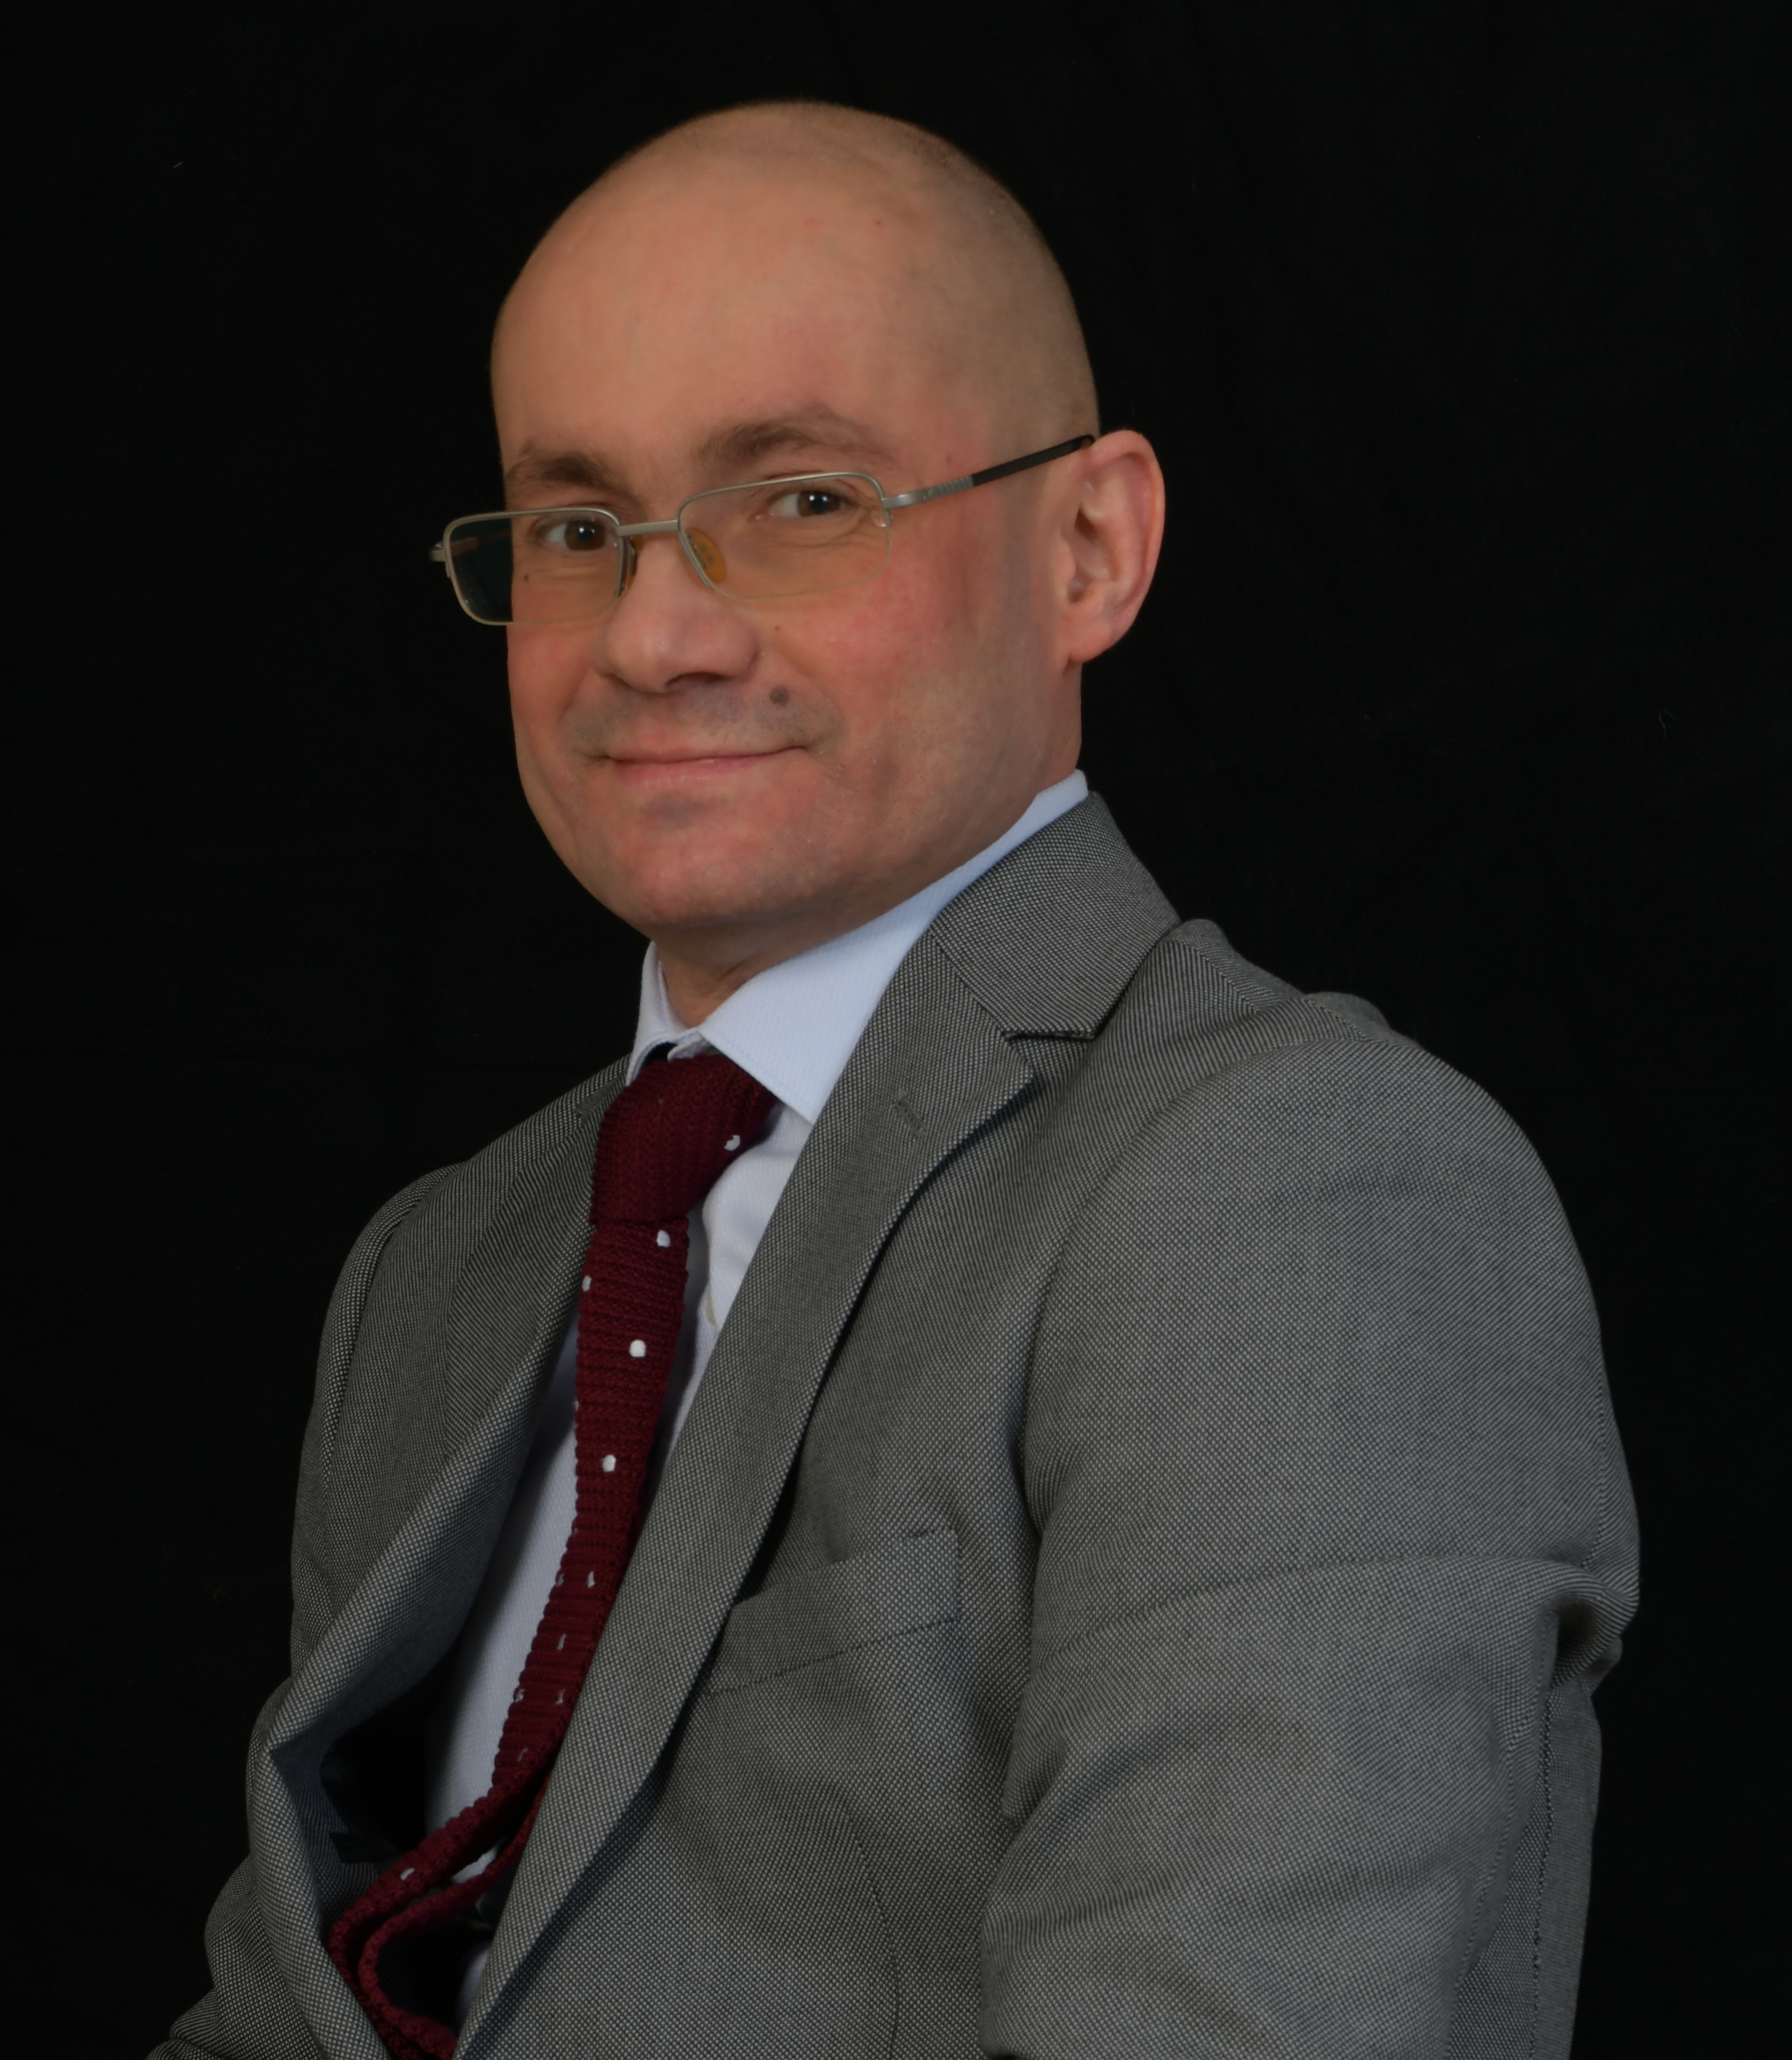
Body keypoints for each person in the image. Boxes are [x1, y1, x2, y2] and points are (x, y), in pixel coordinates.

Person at [157, 100, 1637, 2060]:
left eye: (800, 501)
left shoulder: (1296, 1187)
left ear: (1089, 550)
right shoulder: (439, 1270)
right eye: (579, 530)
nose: (655, 634)